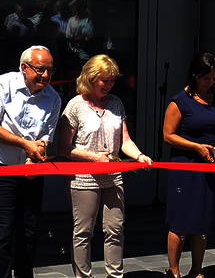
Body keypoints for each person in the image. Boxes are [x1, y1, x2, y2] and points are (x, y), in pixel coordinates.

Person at [58, 54, 152, 278]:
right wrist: (93, 157)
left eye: (112, 80)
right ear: (90, 78)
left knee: (115, 230)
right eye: (104, 80)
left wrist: (139, 156)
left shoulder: (117, 103)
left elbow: (125, 140)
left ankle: (115, 275)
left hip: (113, 176)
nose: (109, 85)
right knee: (83, 232)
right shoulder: (75, 106)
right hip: (83, 178)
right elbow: (64, 148)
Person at [163, 52, 215, 278]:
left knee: (202, 220)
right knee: (180, 220)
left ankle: (197, 270)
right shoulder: (179, 101)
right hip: (185, 167)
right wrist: (196, 146)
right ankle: (174, 271)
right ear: (195, 75)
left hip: (209, 167)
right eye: (206, 78)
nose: (210, 82)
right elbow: (168, 135)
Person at [0, 45, 61, 278]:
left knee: (29, 233)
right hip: (3, 169)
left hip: (32, 173)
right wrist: (25, 145)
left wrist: (38, 153)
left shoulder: (53, 98)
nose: (46, 76)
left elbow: (46, 137)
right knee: (3, 234)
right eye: (40, 70)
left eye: (50, 70)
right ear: (24, 68)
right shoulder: (4, 86)